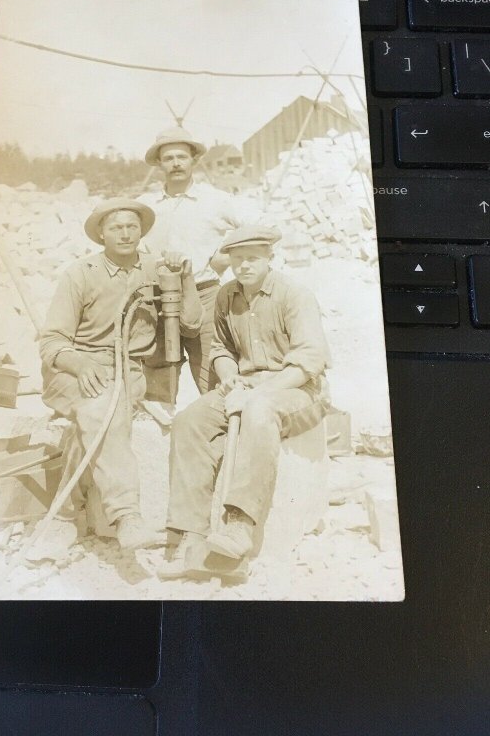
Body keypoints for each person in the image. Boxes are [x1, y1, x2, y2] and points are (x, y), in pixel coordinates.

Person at [159, 225, 331, 579]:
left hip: (298, 391)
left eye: (252, 258)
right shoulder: (225, 296)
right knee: (189, 421)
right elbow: (221, 349)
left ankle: (239, 524)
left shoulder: (294, 295)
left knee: (258, 410)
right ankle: (188, 534)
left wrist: (258, 393)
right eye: (237, 260)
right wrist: (228, 377)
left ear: (270, 257)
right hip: (246, 386)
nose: (244, 266)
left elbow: (309, 360)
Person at [39, 198, 202, 552]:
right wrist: (81, 366)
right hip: (76, 368)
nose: (126, 233)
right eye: (116, 227)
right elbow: (51, 342)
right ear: (101, 234)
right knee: (101, 411)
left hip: (130, 370)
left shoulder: (156, 271)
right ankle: (127, 516)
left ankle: (68, 516)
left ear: (142, 230)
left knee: (96, 423)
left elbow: (190, 324)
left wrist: (185, 278)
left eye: (132, 226)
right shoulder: (80, 274)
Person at [138, 126, 263, 397]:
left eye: (181, 157)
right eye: (169, 158)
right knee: (157, 377)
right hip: (157, 299)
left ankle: (220, 434)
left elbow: (259, 225)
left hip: (205, 295)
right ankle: (163, 433)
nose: (176, 163)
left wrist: (226, 256)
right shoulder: (146, 206)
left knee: (214, 374)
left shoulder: (215, 200)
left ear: (194, 159)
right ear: (159, 163)